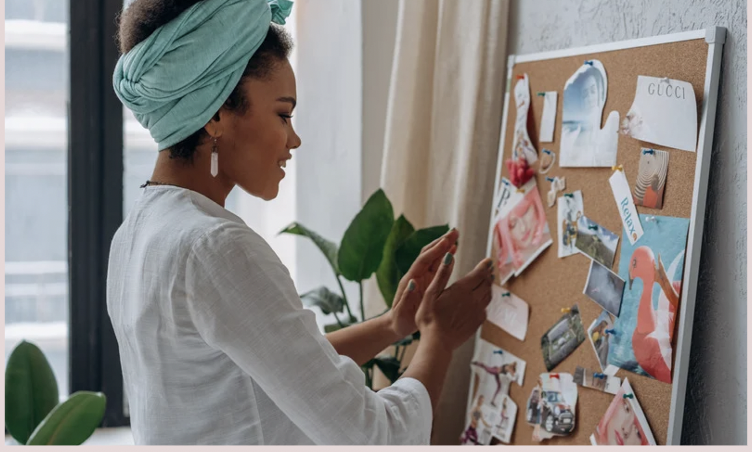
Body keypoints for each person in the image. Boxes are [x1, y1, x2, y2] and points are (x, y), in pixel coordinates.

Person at [107, 0, 494, 445]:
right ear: (216, 113)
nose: (294, 139)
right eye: (283, 113)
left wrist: (394, 325)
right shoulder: (215, 246)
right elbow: (372, 437)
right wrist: (439, 340)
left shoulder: (136, 234)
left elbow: (267, 370)